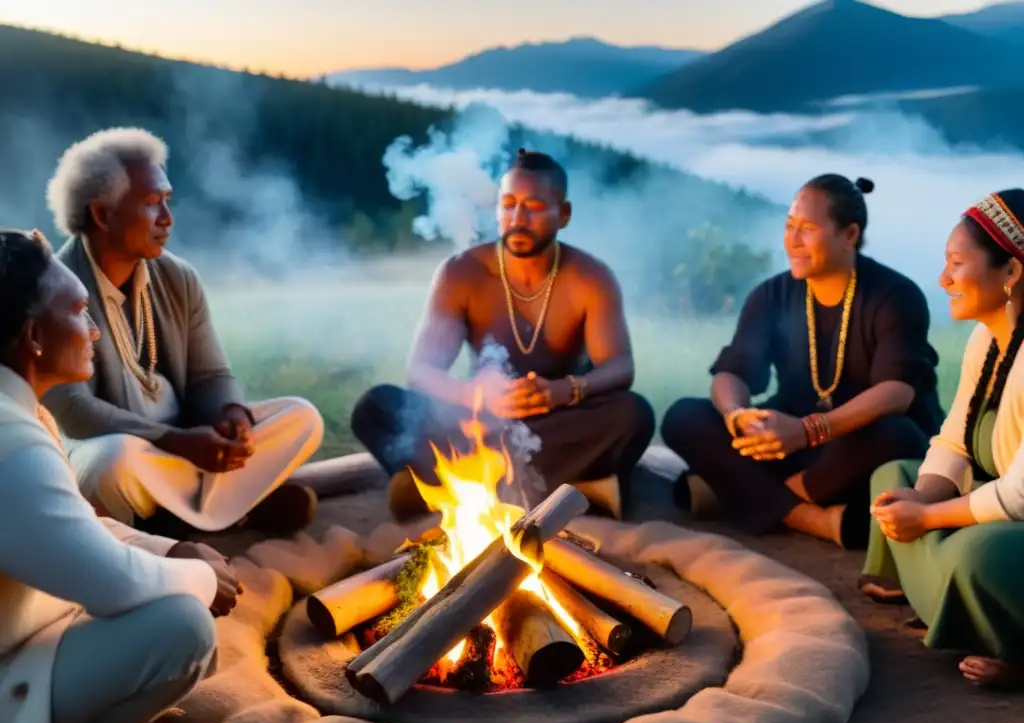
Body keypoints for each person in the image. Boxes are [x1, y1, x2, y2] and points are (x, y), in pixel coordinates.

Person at [0, 229, 243, 723]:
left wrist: (172, 551)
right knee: (182, 626)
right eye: (82, 310)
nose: (94, 331)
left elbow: (72, 524)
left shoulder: (19, 414)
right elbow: (117, 586)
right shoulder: (13, 444)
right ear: (33, 335)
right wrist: (203, 577)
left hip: (19, 644)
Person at [40, 127, 324, 536]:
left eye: (168, 201)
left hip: (187, 442)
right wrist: (176, 441)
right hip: (127, 449)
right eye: (153, 204)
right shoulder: (57, 288)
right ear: (102, 214)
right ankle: (229, 509)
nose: (168, 219)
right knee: (112, 463)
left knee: (301, 417)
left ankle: (184, 516)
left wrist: (231, 416)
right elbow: (76, 414)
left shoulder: (179, 277)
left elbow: (210, 376)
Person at [351, 149, 655, 521]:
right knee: (376, 407)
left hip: (555, 425)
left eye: (533, 206)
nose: (517, 218)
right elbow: (421, 371)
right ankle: (575, 489)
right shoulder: (461, 273)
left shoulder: (590, 278)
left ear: (564, 214)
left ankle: (445, 488)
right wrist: (474, 395)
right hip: (476, 424)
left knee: (632, 414)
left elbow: (620, 367)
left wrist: (565, 390)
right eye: (508, 205)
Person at [661, 175, 944, 548]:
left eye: (807, 229)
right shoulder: (773, 294)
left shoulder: (894, 295)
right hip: (794, 443)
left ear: (849, 234)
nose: (792, 241)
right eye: (789, 226)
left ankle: (738, 490)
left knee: (896, 434)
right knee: (685, 417)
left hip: (857, 442)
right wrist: (737, 416)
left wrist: (810, 431)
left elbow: (896, 393)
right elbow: (734, 371)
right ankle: (812, 518)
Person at [862, 189, 1024, 689]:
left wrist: (929, 517)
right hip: (993, 506)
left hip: (1013, 517)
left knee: (976, 554)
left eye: (957, 263)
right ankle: (953, 609)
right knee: (893, 478)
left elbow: (1019, 496)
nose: (944, 279)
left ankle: (1004, 644)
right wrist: (921, 496)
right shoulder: (987, 339)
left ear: (1012, 273)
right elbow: (954, 439)